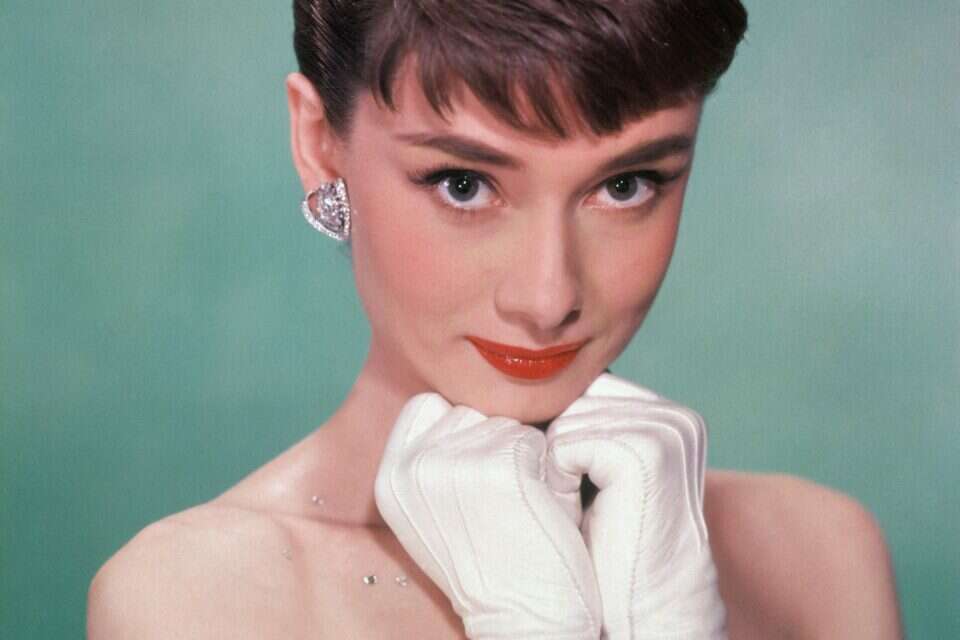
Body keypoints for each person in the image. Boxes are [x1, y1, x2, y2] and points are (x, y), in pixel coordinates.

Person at [87, 1, 904, 638]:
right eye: (464, 184)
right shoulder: (199, 601)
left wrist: (674, 624)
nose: (548, 298)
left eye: (626, 185)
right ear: (320, 142)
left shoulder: (820, 557)